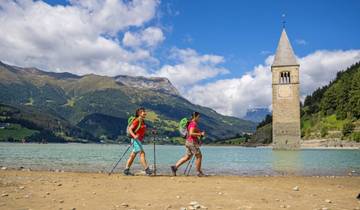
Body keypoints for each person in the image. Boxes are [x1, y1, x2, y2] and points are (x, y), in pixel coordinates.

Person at [171, 112, 206, 177]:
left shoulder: (191, 123)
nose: (199, 118)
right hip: (191, 143)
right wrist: (200, 134)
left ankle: (174, 167)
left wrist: (199, 139)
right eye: (198, 117)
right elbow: (191, 133)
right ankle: (199, 172)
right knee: (199, 156)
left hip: (189, 142)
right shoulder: (193, 124)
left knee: (187, 157)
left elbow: (192, 134)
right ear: (195, 117)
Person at [124, 107, 153, 176]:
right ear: (139, 113)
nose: (145, 113)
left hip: (138, 140)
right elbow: (130, 129)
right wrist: (134, 136)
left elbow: (142, 130)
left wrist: (152, 132)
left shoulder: (142, 121)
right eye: (143, 112)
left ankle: (126, 170)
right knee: (142, 153)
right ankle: (147, 169)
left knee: (132, 155)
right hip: (135, 140)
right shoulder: (137, 120)